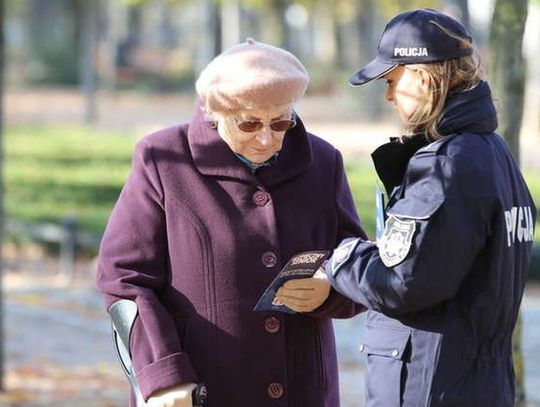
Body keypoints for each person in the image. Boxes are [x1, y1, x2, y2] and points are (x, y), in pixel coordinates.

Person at [276, 8, 536, 406]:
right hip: (475, 384)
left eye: (393, 80)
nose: (388, 95)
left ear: (424, 75)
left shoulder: (447, 165)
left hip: (430, 387)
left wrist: (343, 256)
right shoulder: (494, 154)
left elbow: (402, 283)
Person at [96, 39, 367, 407]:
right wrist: (162, 376)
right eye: (249, 122)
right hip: (200, 390)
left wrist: (330, 288)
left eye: (282, 121)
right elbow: (124, 278)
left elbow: (355, 261)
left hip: (302, 389)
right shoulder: (162, 159)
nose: (267, 138)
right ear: (213, 111)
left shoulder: (323, 162)